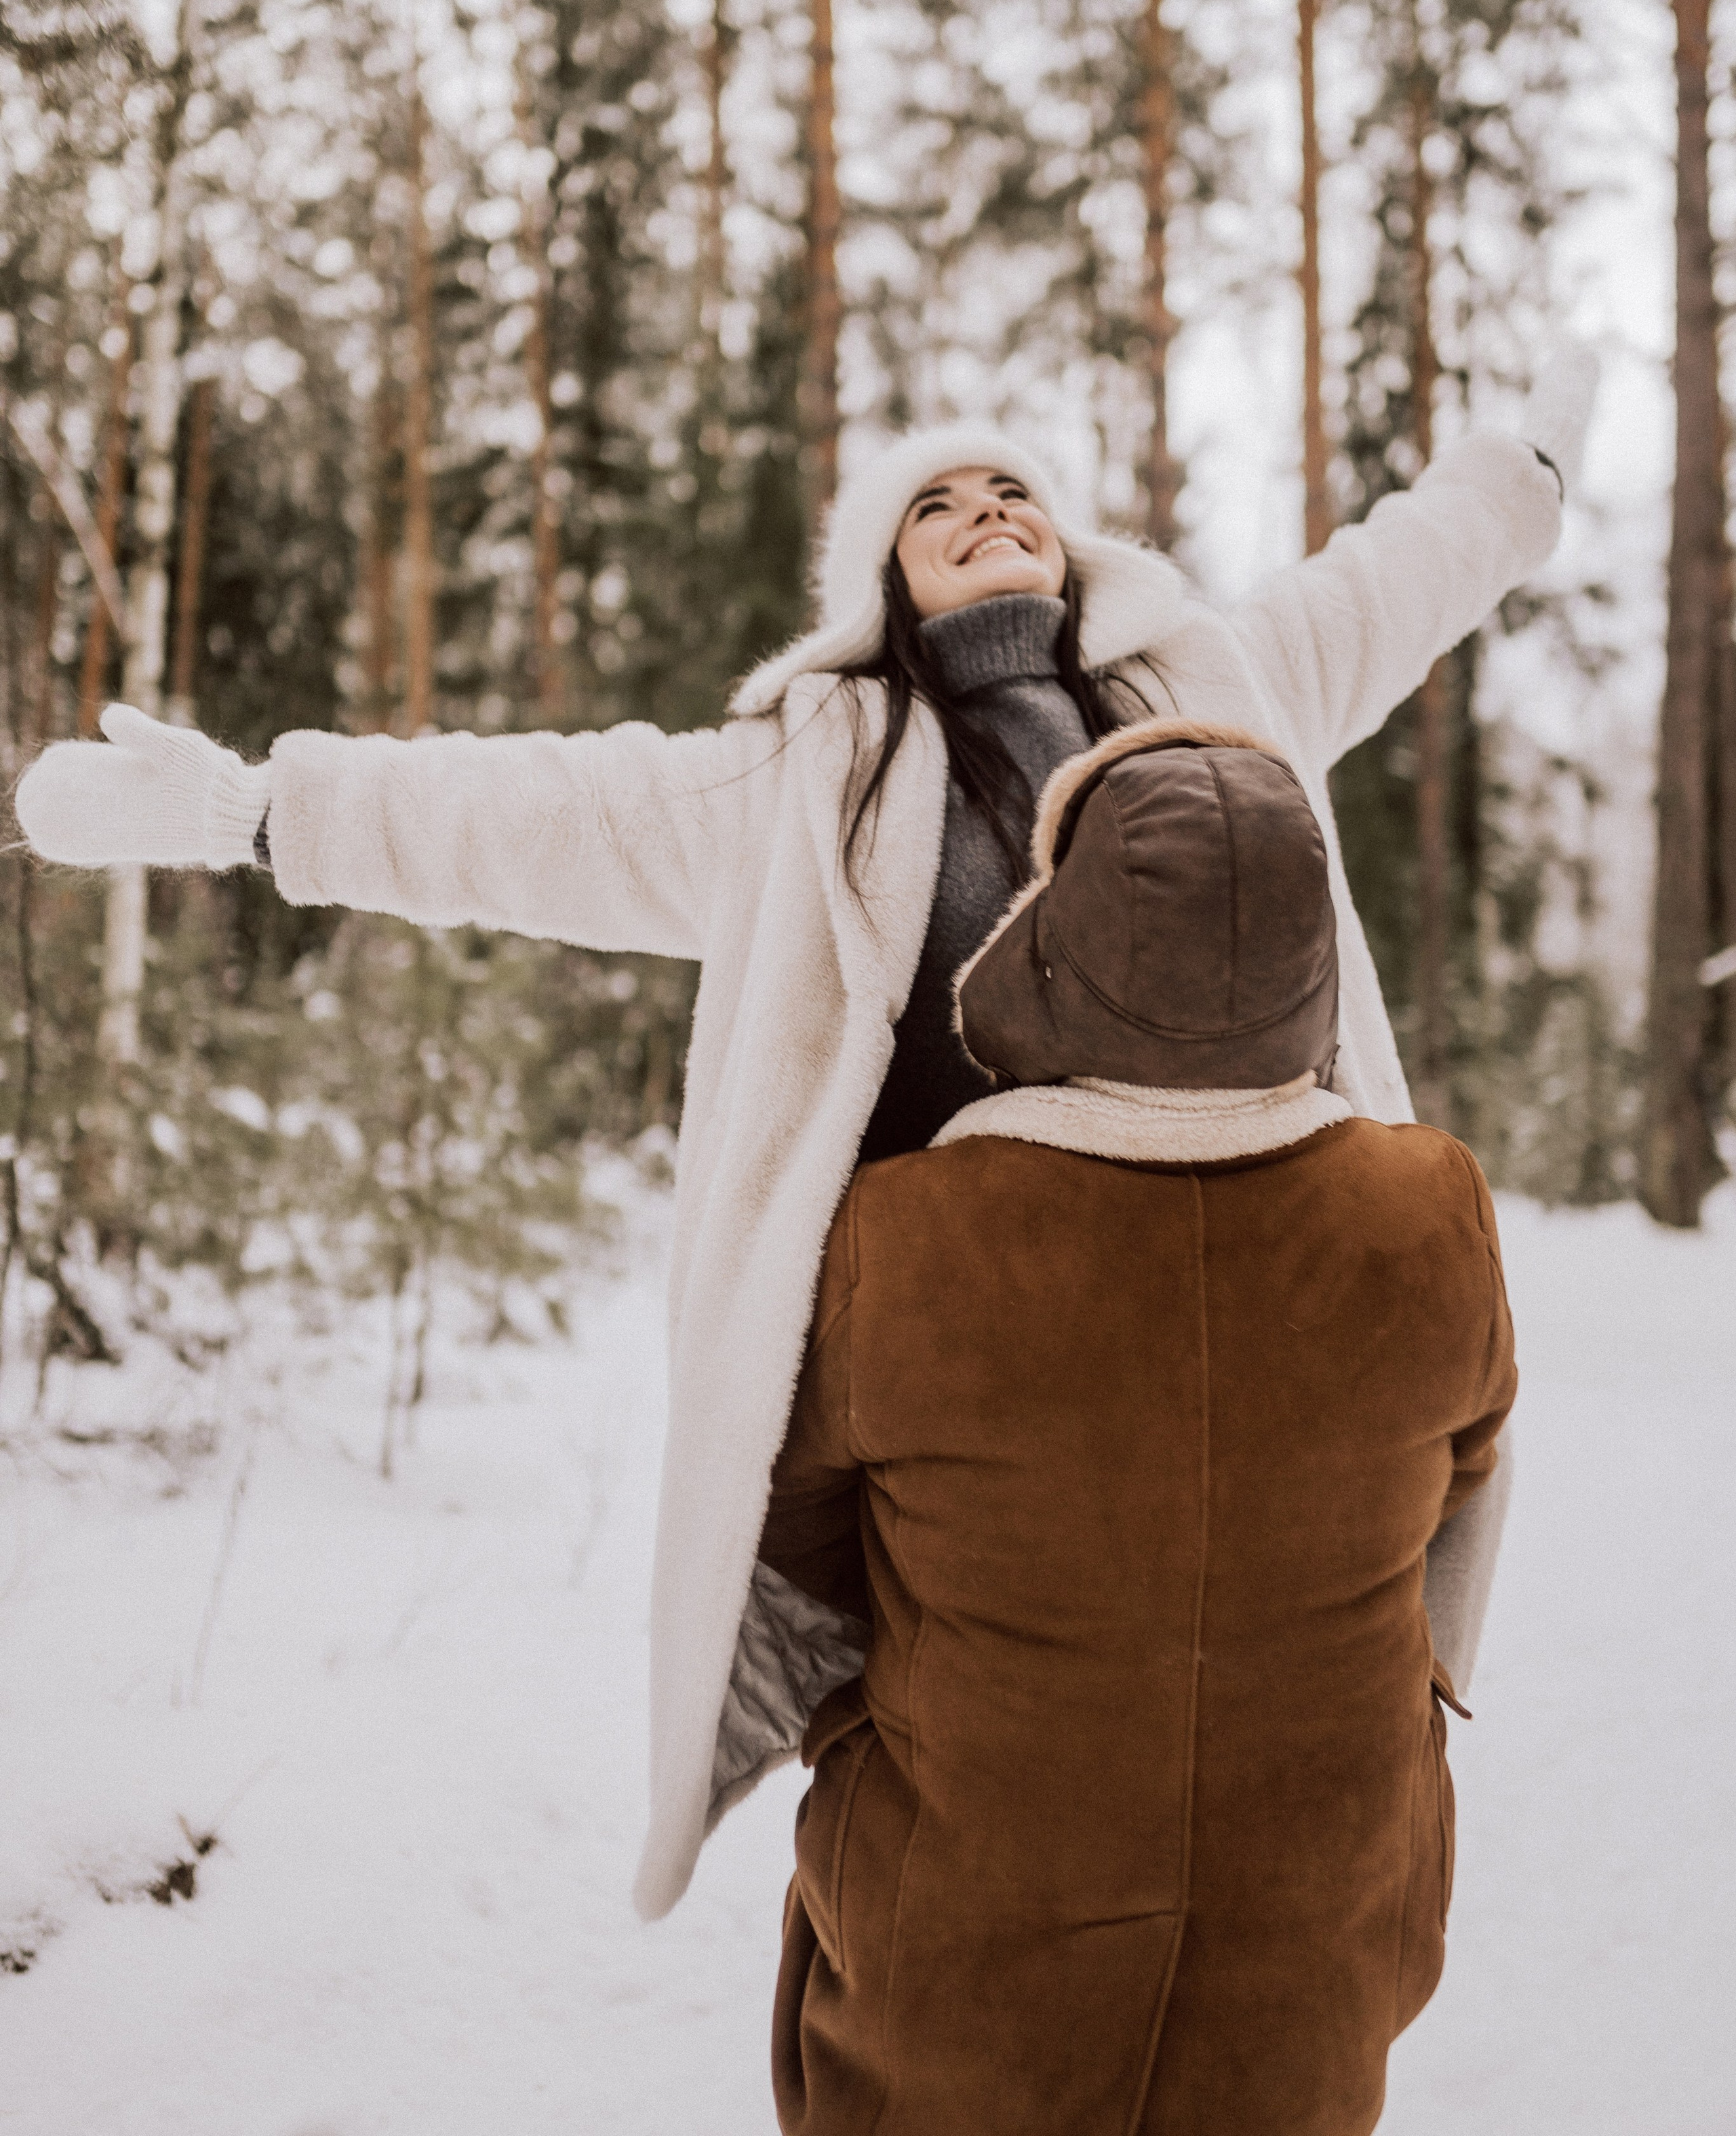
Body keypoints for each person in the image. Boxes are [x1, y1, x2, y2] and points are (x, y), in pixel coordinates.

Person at [12, 366, 1586, 1918]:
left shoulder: (1216, 683)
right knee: (980, 1788)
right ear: (880, 574)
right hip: (967, 1361)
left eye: (1010, 491)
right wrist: (259, 813)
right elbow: (527, 809)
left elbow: (1393, 578)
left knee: (1277, 1743)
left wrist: (1513, 472)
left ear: (1069, 540)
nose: (982, 514)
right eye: (935, 505)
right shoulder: (802, 772)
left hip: (1252, 1295)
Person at [760, 722, 1516, 2136]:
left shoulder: (905, 1235)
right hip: (1316, 1941)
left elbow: (802, 1536)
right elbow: (1457, 1476)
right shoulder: (1429, 1211)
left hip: (961, 1940)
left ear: (1055, 945)